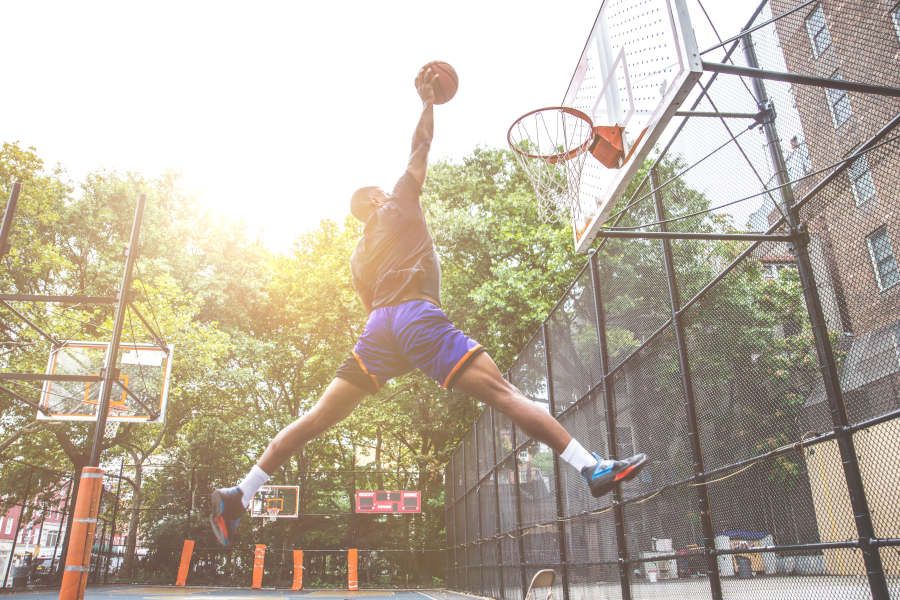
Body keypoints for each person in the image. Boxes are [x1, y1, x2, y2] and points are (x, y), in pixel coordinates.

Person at [210, 65, 647, 547]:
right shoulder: (396, 203)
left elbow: (368, 304)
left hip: (377, 331)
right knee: (504, 392)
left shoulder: (358, 255)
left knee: (316, 419)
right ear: (376, 198)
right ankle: (593, 468)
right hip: (415, 316)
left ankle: (240, 494)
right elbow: (420, 149)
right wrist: (427, 104)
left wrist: (397, 344)